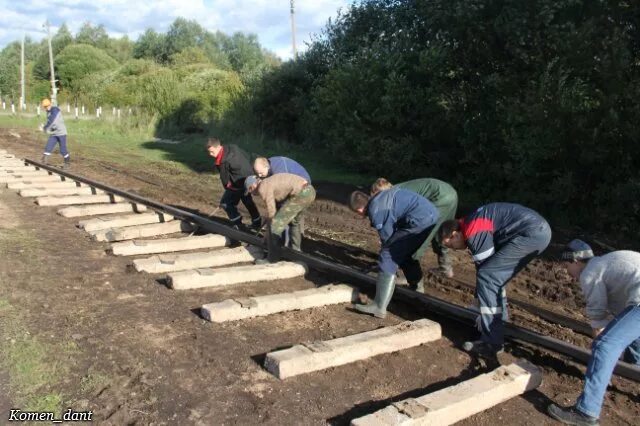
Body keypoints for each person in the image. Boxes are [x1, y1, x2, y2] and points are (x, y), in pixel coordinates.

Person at [438, 203, 551, 357]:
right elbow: (489, 272)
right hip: (535, 230)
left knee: (488, 276)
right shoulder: (471, 223)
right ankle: (499, 322)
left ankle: (491, 342)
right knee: (492, 275)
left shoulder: (473, 229)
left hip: (531, 233)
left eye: (450, 245)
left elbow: (485, 273)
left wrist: (479, 305)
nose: (454, 249)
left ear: (454, 235)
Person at [547, 240, 640, 426]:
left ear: (575, 261)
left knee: (604, 346)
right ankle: (634, 369)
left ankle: (586, 412)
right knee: (633, 337)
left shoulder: (590, 271)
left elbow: (598, 319)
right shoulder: (606, 263)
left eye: (567, 266)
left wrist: (600, 355)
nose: (568, 273)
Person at [349, 187, 439, 318]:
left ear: (359, 209)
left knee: (388, 255)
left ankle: (379, 307)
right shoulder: (380, 198)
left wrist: (386, 267)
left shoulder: (376, 210)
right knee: (404, 252)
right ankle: (418, 290)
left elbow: (387, 241)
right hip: (431, 214)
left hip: (419, 219)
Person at [371, 177, 458, 283]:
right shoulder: (394, 190)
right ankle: (446, 267)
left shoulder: (394, 196)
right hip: (450, 193)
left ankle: (406, 272)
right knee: (443, 232)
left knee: (420, 234)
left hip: (439, 197)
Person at [244, 173, 316, 263]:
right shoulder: (268, 181)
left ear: (252, 186)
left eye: (250, 191)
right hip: (309, 191)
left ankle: (271, 259)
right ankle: (296, 254)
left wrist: (267, 235)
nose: (253, 194)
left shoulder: (263, 187)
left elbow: (271, 212)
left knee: (275, 225)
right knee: (294, 223)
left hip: (300, 194)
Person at [206, 138, 261, 241]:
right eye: (209, 152)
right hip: (241, 179)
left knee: (226, 203)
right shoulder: (228, 150)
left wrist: (231, 188)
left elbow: (241, 174)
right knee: (247, 200)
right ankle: (257, 221)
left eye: (212, 151)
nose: (210, 154)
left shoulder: (231, 160)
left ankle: (238, 225)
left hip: (241, 181)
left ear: (219, 147)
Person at [254, 156, 311, 249]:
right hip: (292, 186)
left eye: (260, 173)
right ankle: (288, 241)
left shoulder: (279, 170)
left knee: (288, 213)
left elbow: (285, 194)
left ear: (266, 167)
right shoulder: (267, 167)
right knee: (283, 213)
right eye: (257, 173)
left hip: (302, 183)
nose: (259, 176)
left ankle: (287, 245)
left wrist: (274, 214)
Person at [40, 99, 70, 168]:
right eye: (45, 107)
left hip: (61, 133)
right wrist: (45, 127)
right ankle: (44, 160)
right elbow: (49, 122)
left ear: (50, 104)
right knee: (48, 146)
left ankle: (67, 162)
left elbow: (53, 122)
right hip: (54, 133)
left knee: (63, 150)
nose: (46, 108)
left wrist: (44, 128)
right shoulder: (48, 112)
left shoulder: (55, 110)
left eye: (47, 106)